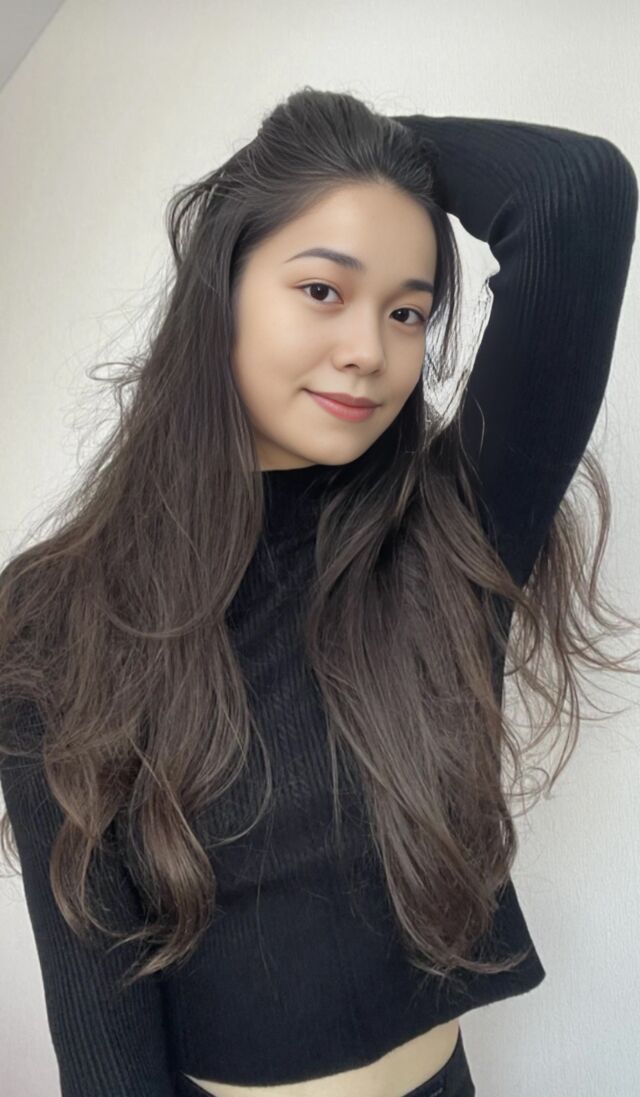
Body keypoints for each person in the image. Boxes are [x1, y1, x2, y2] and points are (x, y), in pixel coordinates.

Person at [0, 88, 638, 1097]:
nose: (369, 351)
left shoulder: (445, 533)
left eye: (406, 312)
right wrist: (302, 164)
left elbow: (578, 194)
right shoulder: (57, 611)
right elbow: (100, 1018)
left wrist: (386, 146)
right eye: (322, 290)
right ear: (222, 285)